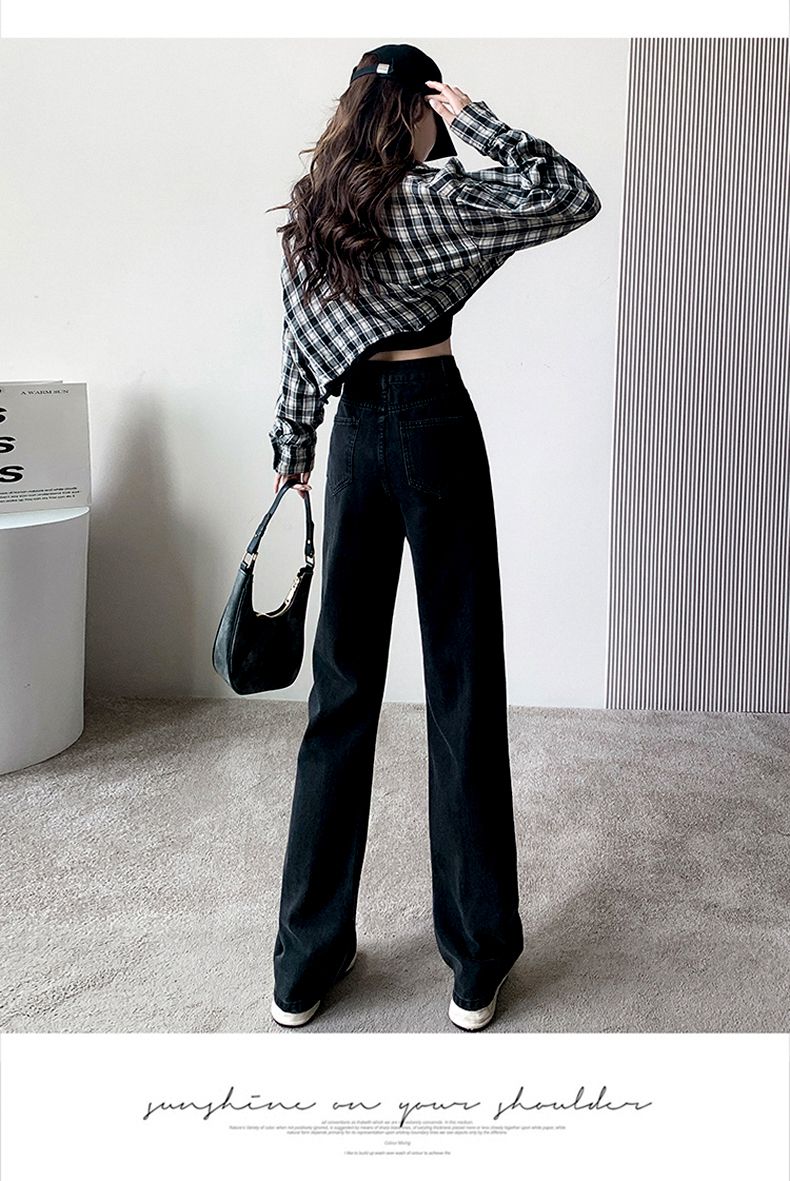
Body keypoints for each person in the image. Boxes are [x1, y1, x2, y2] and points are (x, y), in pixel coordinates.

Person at [266, 43, 601, 1031]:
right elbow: (568, 196)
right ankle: (474, 961)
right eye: (431, 107)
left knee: (340, 691)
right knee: (461, 680)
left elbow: (299, 345)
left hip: (356, 434)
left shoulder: (317, 207)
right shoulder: (444, 196)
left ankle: (302, 965)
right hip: (435, 421)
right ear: (419, 109)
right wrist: (480, 120)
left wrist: (292, 448)